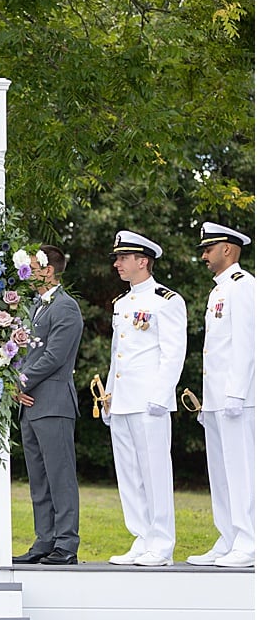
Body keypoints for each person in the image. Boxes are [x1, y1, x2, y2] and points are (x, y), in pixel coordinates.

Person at [104, 230, 186, 567]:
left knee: (155, 472)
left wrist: (160, 394)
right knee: (129, 474)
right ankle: (141, 537)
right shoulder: (122, 304)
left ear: (143, 261)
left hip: (149, 401)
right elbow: (117, 355)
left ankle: (162, 543)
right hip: (122, 399)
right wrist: (108, 396)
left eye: (123, 258)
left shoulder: (166, 300)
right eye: (117, 258)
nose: (117, 263)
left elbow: (173, 352)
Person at [187, 222, 255, 568]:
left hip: (237, 399)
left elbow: (247, 345)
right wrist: (209, 399)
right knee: (222, 471)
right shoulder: (219, 291)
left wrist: (236, 394)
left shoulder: (244, 287)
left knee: (242, 469)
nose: (204, 256)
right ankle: (229, 537)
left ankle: (250, 540)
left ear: (227, 249)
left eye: (209, 249)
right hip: (216, 399)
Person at [13, 245, 84, 566]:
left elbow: (54, 357)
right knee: (38, 479)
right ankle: (45, 539)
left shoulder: (65, 308)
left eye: (30, 267)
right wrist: (14, 382)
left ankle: (66, 543)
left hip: (53, 403)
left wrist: (20, 381)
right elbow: (22, 352)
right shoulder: (33, 307)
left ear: (48, 270)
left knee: (60, 476)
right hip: (29, 404)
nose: (25, 273)